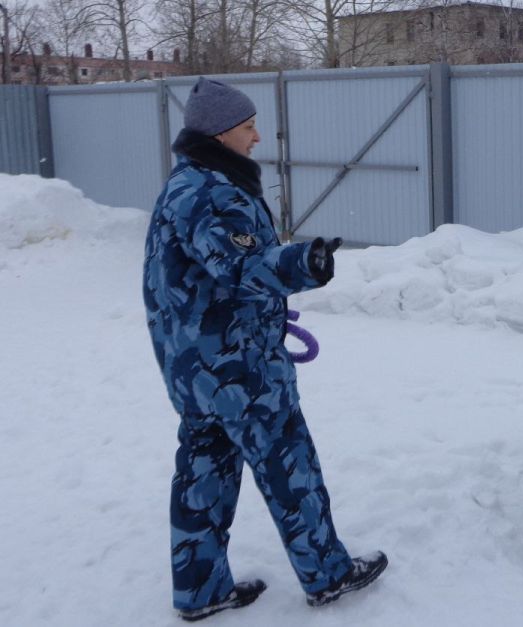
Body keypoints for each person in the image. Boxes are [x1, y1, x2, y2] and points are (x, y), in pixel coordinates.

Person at [143, 77, 387, 622]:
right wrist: (304, 263)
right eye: (248, 127)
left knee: (205, 468)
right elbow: (240, 266)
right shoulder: (214, 192)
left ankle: (200, 589)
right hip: (237, 365)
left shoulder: (185, 183)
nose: (257, 137)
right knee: (287, 461)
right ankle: (328, 574)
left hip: (193, 366)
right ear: (222, 133)